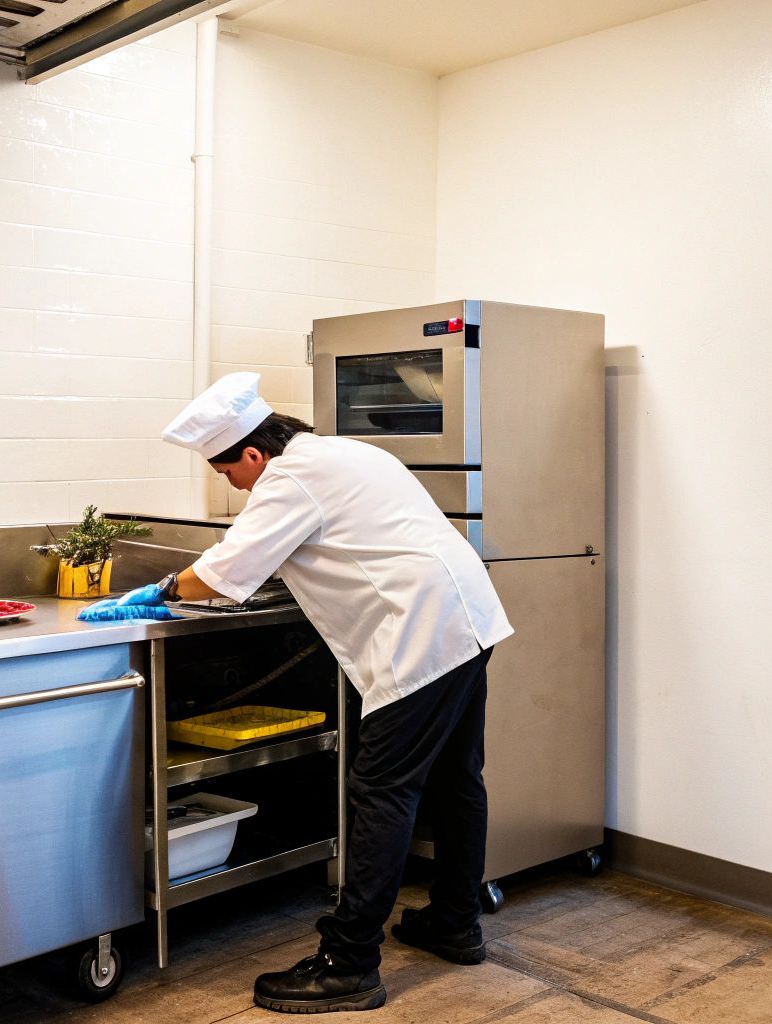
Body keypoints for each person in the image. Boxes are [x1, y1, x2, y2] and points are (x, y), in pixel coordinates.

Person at [80, 372, 512, 1013]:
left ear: (254, 453)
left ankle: (349, 963)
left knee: (382, 791)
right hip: (465, 614)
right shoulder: (343, 451)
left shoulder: (287, 479)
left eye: (229, 472)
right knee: (456, 779)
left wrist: (160, 592)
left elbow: (224, 576)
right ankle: (454, 921)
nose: (234, 485)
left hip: (419, 629)